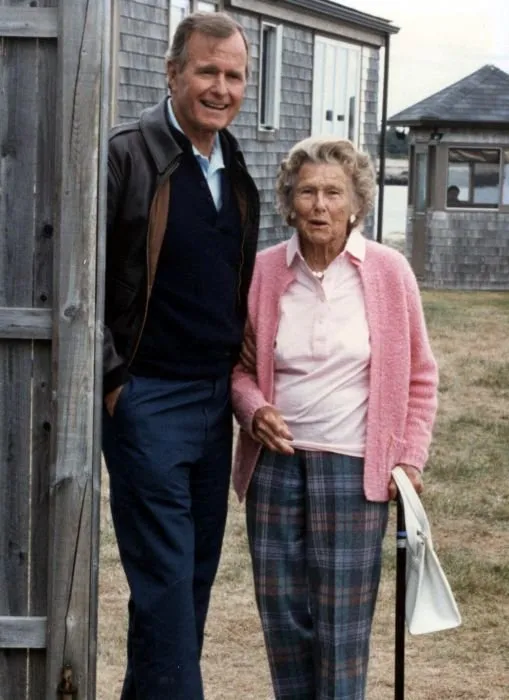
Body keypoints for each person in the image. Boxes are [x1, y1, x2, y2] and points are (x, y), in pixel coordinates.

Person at [231, 137, 438, 700]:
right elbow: (236, 368)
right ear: (289, 202)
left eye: (332, 192)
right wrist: (254, 409)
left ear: (356, 204)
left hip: (355, 474)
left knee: (342, 632)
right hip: (276, 469)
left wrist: (408, 458)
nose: (319, 205)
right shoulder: (264, 272)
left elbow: (421, 376)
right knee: (283, 621)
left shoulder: (390, 274)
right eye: (306, 192)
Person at [102, 12, 259, 700]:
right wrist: (115, 385)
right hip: (147, 399)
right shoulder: (126, 154)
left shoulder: (235, 165)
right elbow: (77, 278)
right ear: (171, 73)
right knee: (166, 580)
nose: (220, 88)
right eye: (206, 71)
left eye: (233, 75)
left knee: (187, 583)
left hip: (210, 403)